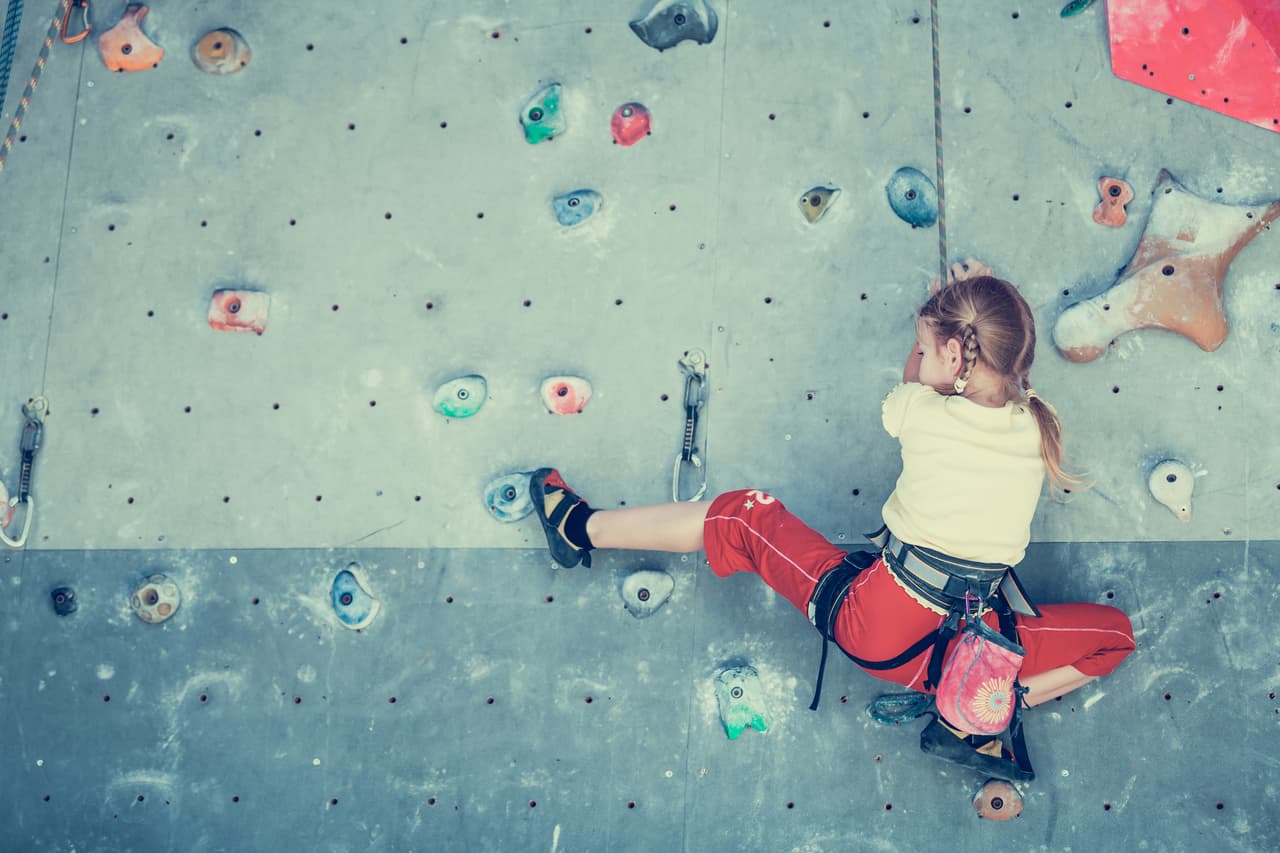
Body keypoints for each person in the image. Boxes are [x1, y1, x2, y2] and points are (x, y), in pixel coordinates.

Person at [526, 260, 1135, 780]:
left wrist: (950, 326)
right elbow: (995, 368)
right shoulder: (1036, 422)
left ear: (954, 356)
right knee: (1116, 638)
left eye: (927, 347)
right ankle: (982, 706)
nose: (920, 356)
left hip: (880, 627)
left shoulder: (922, 412)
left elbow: (915, 385)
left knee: (742, 516)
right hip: (969, 650)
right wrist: (977, 314)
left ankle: (577, 529)